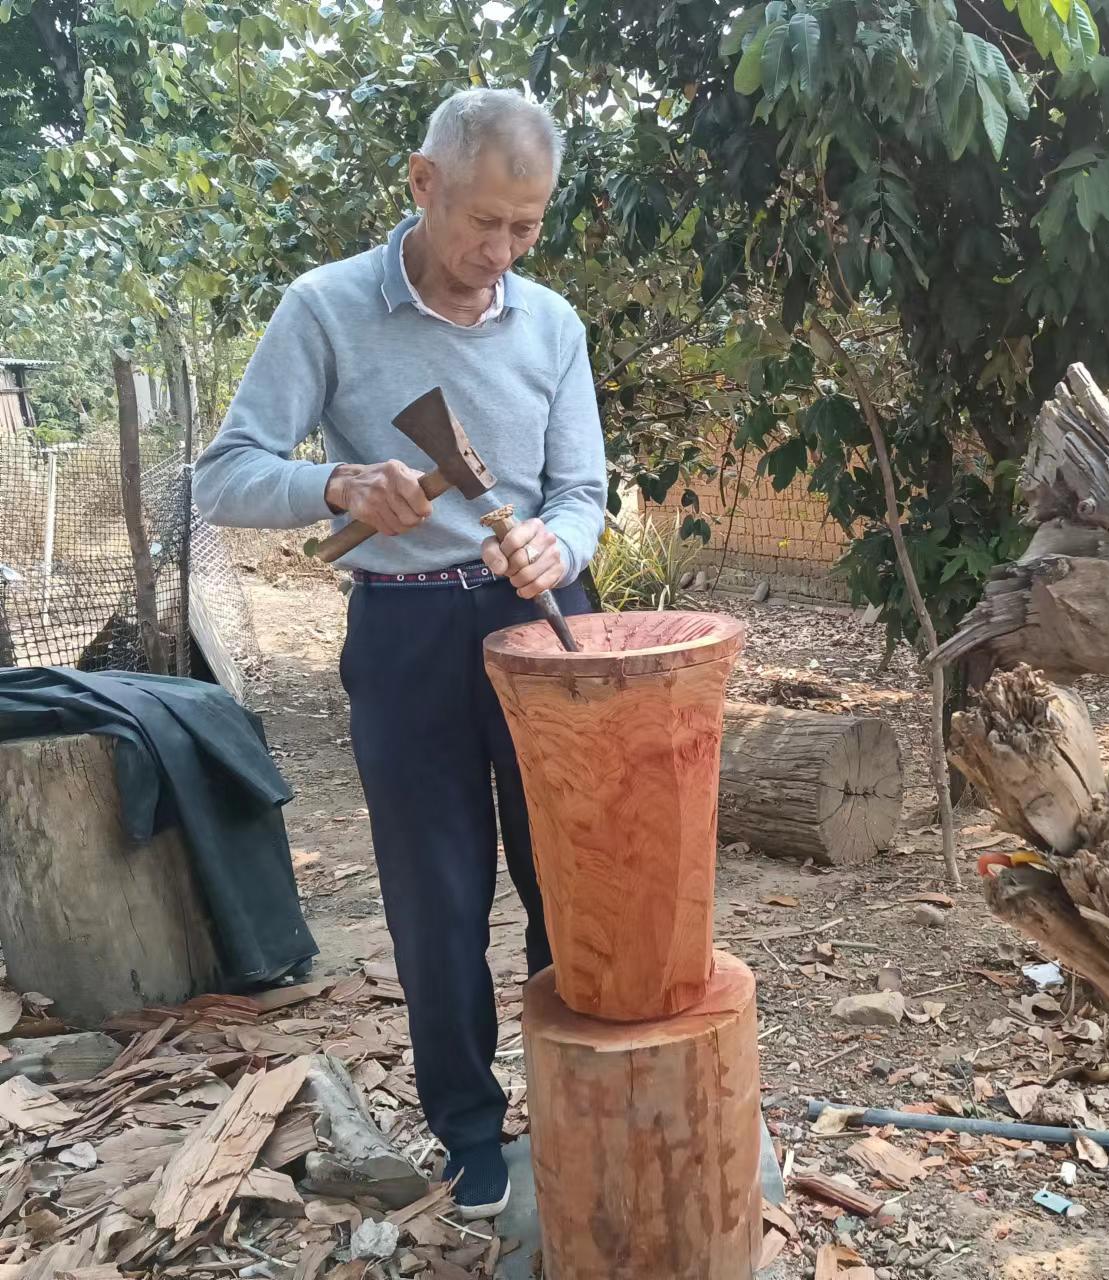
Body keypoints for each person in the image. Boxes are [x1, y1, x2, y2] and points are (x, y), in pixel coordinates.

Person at [194, 88, 606, 1219]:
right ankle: (470, 1132)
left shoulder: (552, 324)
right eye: (484, 221)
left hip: (541, 621)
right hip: (405, 626)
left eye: (527, 227)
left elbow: (581, 490)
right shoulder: (326, 308)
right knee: (435, 896)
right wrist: (334, 483)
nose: (502, 252)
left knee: (572, 878)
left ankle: (582, 1104)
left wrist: (556, 543)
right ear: (423, 183)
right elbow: (223, 474)